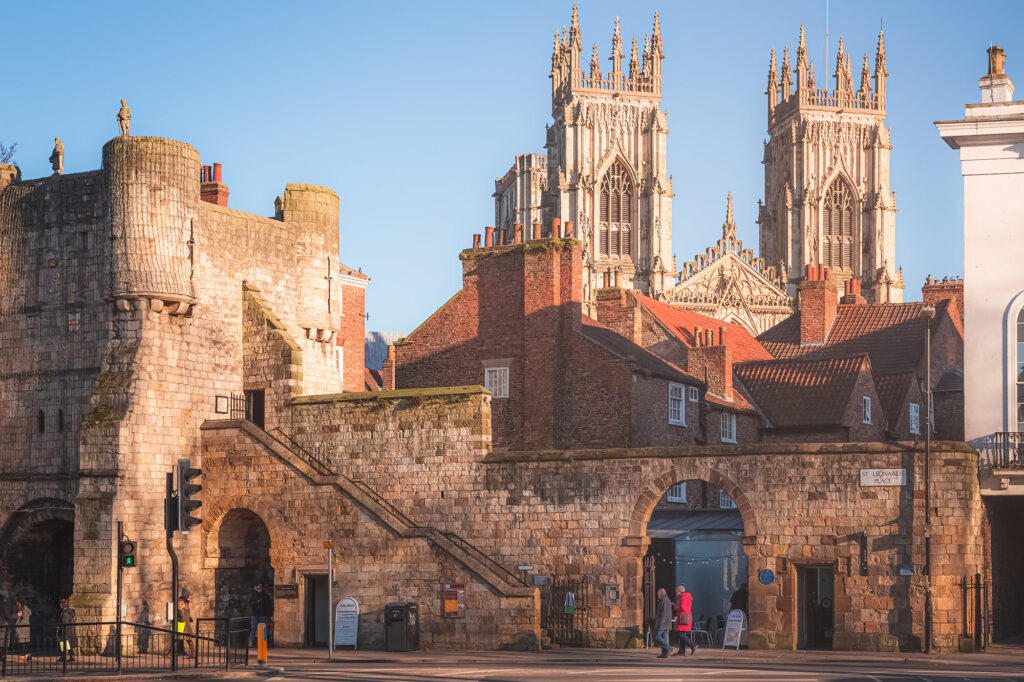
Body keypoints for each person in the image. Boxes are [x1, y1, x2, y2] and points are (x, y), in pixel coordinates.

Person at [673, 584, 697, 656]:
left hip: (683, 618)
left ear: (680, 592)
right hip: (685, 617)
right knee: (682, 634)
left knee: (680, 634)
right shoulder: (686, 597)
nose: (676, 593)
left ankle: (692, 645)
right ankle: (681, 651)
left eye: (677, 592)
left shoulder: (683, 597)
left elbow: (683, 608)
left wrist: (675, 607)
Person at [248, 584, 273, 648]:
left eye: (260, 588)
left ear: (262, 589)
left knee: (262, 629)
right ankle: (251, 642)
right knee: (253, 628)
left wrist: (269, 615)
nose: (259, 589)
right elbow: (250, 603)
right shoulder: (254, 596)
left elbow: (268, 606)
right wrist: (256, 602)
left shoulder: (265, 596)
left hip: (262, 615)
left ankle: (261, 642)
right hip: (254, 614)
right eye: (258, 588)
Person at [653, 588, 674, 658]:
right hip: (666, 623)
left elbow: (664, 613)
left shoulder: (664, 601)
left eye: (658, 593)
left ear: (661, 593)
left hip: (663, 623)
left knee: (658, 636)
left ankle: (667, 647)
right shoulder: (664, 600)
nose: (657, 595)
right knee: (663, 638)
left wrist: (660, 623)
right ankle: (664, 654)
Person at [57, 597, 77, 662]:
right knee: (68, 645)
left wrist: (61, 631)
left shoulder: (65, 613)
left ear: (63, 604)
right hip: (70, 632)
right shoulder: (69, 612)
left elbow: (64, 623)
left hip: (66, 631)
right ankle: (71, 656)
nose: (60, 604)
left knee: (64, 644)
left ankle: (64, 657)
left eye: (61, 603)